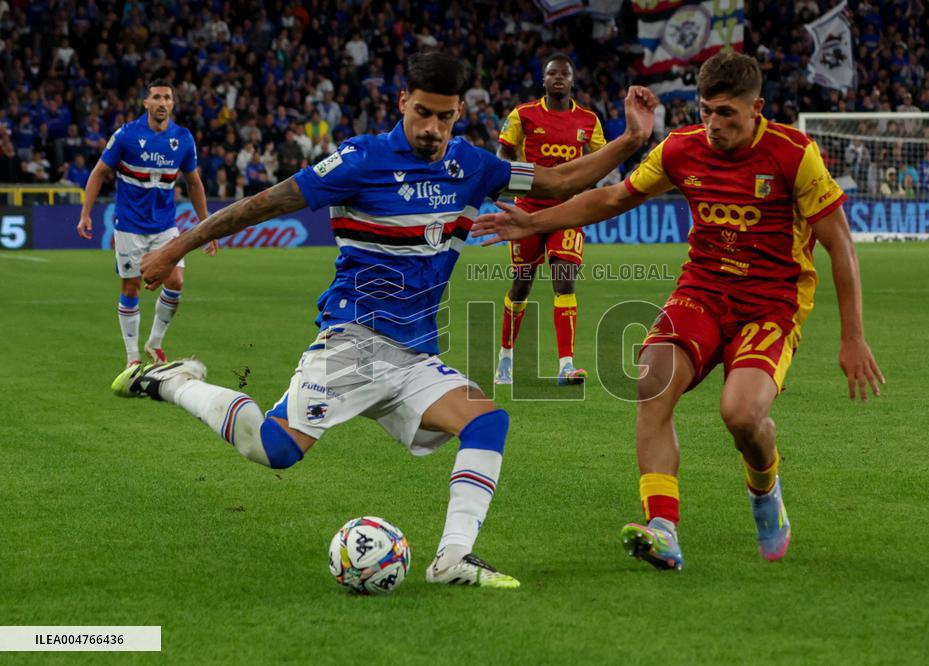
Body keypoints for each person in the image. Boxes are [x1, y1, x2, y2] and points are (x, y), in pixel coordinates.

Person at [115, 53, 656, 588]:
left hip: (416, 356)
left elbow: (559, 182)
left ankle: (453, 560)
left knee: (488, 422)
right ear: (402, 102)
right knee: (274, 450)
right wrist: (177, 248)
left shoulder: (472, 166)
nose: (433, 128)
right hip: (354, 345)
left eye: (445, 117)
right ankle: (175, 382)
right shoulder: (359, 160)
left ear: (459, 112)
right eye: (423, 113)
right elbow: (261, 205)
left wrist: (631, 141)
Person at [473, 52, 884, 570]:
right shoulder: (682, 148)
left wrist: (853, 337)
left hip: (771, 304)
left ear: (756, 108)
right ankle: (663, 526)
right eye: (706, 110)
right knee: (651, 381)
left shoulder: (793, 154)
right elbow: (612, 199)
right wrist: (534, 223)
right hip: (703, 291)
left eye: (727, 114)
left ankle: (764, 490)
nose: (713, 124)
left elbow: (839, 244)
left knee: (741, 415)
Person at [76, 80, 216, 368]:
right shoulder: (126, 135)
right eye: (156, 97)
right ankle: (132, 357)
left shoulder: (183, 139)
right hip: (129, 225)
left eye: (167, 97)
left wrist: (207, 227)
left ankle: (155, 342)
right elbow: (99, 172)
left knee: (175, 281)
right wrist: (85, 213)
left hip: (165, 226)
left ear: (173, 104)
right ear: (146, 103)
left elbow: (194, 183)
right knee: (131, 288)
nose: (162, 102)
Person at [494, 53, 607, 385]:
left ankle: (566, 366)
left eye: (564, 74)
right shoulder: (523, 114)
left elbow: (600, 161)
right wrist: (516, 180)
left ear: (572, 80)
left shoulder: (588, 120)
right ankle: (505, 357)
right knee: (521, 286)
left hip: (567, 212)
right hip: (526, 212)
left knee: (564, 279)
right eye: (552, 73)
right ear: (543, 80)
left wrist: (583, 186)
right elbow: (503, 153)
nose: (558, 78)